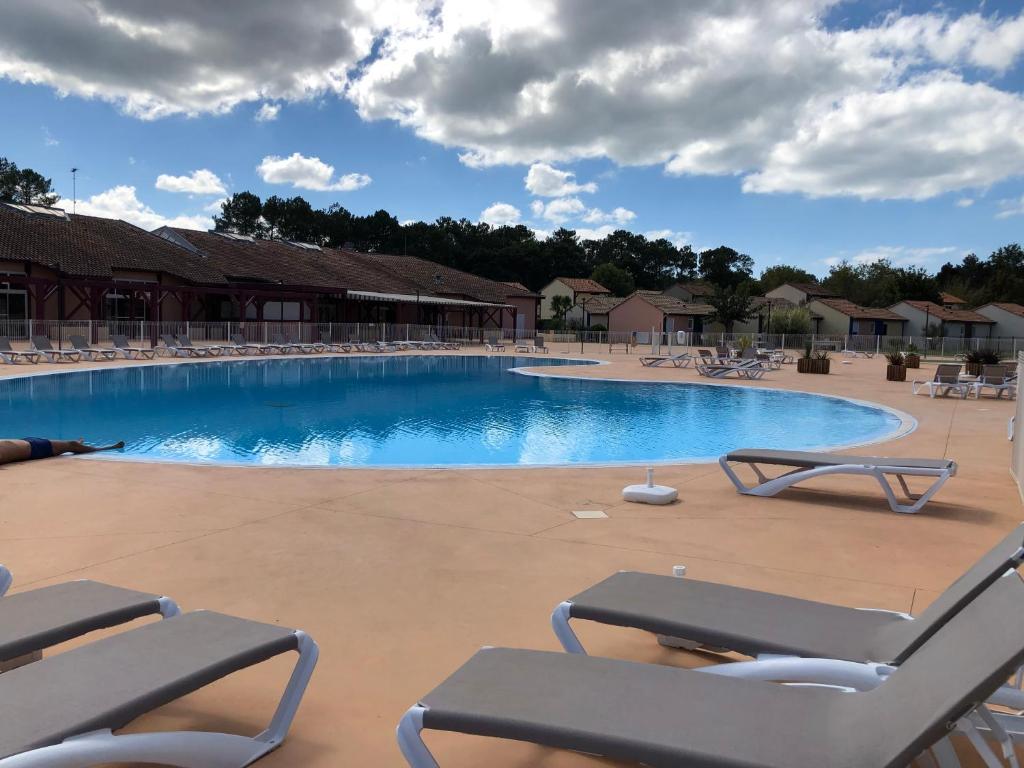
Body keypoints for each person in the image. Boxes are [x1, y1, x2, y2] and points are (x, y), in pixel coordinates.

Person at [0, 438, 124, 465]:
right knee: (72, 445)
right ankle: (104, 448)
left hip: (26, 441)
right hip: (35, 449)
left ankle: (76, 444)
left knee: (70, 444)